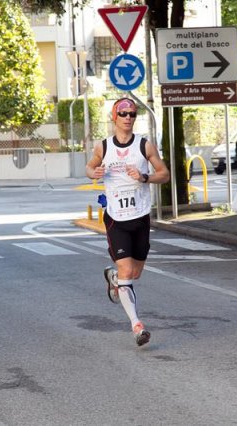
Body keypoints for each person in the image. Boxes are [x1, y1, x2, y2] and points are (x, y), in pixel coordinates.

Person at [86, 98, 170, 347]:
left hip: (141, 216)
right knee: (126, 272)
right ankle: (136, 325)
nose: (128, 117)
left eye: (132, 114)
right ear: (115, 117)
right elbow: (89, 168)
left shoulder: (145, 146)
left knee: (135, 273)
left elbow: (164, 174)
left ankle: (114, 278)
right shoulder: (103, 147)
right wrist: (95, 172)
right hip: (116, 219)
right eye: (123, 113)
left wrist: (144, 177)